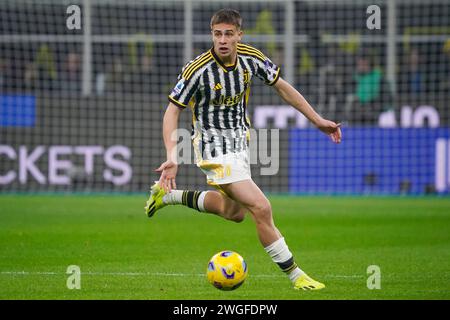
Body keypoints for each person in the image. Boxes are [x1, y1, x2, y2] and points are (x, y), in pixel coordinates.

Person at [145, 9, 341, 291]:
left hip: (240, 144)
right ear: (212, 34)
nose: (222, 40)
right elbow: (171, 111)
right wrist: (172, 156)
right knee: (261, 207)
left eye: (228, 34)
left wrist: (318, 120)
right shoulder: (197, 70)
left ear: (239, 35)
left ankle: (168, 196)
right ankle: (296, 276)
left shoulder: (252, 58)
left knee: (233, 212)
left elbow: (284, 88)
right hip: (212, 148)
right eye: (216, 34)